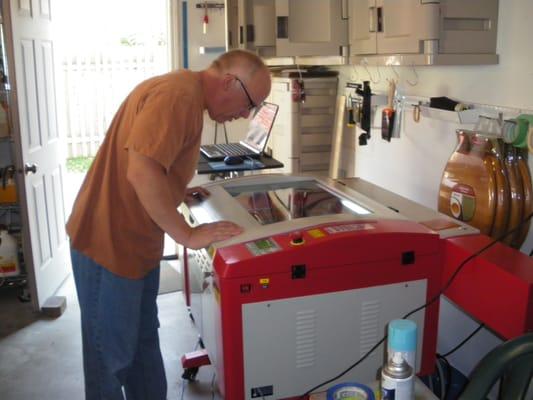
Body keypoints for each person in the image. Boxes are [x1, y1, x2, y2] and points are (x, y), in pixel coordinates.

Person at [66, 49, 272, 400]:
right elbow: (141, 170)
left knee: (143, 346)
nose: (244, 115)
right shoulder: (178, 97)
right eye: (249, 104)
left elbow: (151, 166)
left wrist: (175, 188)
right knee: (109, 362)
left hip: (135, 246)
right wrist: (186, 233)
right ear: (228, 82)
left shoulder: (186, 96)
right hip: (108, 245)